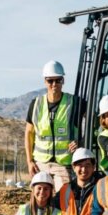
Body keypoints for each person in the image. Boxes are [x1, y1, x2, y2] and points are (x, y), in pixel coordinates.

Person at [25, 60, 78, 190]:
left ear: (63, 81)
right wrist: (30, 161)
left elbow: (94, 121)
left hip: (64, 164)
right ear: (45, 81)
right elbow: (29, 133)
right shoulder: (36, 104)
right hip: (40, 164)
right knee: (40, 200)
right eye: (50, 81)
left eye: (58, 80)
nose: (54, 84)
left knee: (65, 201)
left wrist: (80, 141)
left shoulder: (74, 102)